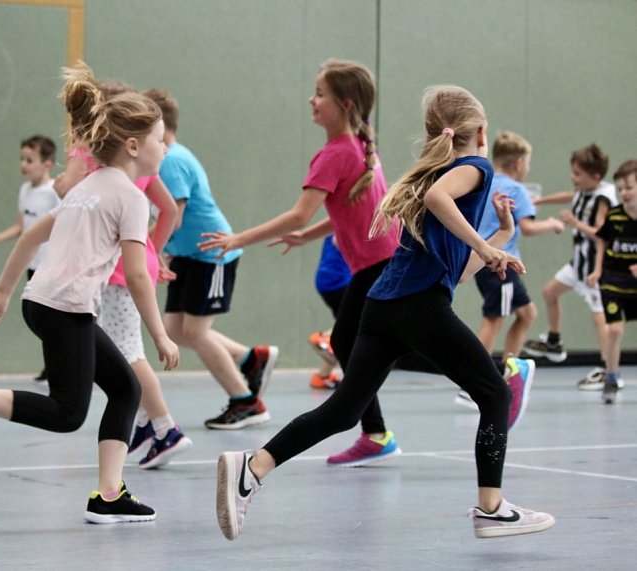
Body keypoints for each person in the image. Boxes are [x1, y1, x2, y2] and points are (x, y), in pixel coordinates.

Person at [215, 85, 555, 541]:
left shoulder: (434, 175)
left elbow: (456, 273)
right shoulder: (475, 168)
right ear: (480, 131)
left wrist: (500, 236)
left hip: (383, 307)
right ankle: (492, 508)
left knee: (344, 410)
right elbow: (439, 200)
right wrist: (483, 242)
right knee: (495, 394)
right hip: (418, 308)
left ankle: (252, 467)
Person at [0, 62, 180, 524]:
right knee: (67, 413)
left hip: (42, 300)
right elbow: (138, 276)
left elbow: (30, 236)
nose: (165, 146)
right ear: (134, 146)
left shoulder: (85, 188)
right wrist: (160, 334)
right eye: (160, 139)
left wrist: (3, 291)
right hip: (65, 307)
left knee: (126, 388)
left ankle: (109, 494)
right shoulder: (130, 198)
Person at [199, 60, 403, 467]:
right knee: (351, 342)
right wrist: (307, 237)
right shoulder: (358, 147)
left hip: (379, 266)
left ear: (345, 104)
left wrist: (240, 238)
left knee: (388, 344)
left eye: (320, 94)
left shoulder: (336, 154)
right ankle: (376, 433)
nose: (312, 100)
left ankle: (492, 371)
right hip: (381, 263)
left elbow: (298, 213)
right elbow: (353, 211)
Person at [53, 83, 192, 469]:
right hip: (132, 262)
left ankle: (166, 428)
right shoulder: (137, 167)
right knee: (121, 350)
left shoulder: (93, 158)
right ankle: (145, 423)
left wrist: (63, 175)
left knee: (129, 353)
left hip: (118, 270)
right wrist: (153, 250)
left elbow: (67, 192)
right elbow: (169, 210)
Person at [143, 87, 278, 430]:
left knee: (196, 332)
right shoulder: (165, 158)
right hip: (189, 254)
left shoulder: (172, 160)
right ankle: (251, 359)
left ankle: (245, 401)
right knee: (175, 330)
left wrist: (150, 250)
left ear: (158, 125)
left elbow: (173, 215)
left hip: (211, 252)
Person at [454, 131, 564, 411]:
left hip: (482, 260)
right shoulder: (516, 189)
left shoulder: (485, 181)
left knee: (527, 314)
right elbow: (528, 227)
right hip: (499, 263)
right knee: (494, 319)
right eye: (528, 163)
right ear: (518, 163)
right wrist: (552, 224)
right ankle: (473, 385)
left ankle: (508, 371)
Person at [524, 144, 619, 390]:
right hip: (578, 264)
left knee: (600, 316)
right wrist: (540, 200)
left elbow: (602, 234)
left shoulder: (602, 199)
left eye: (578, 174)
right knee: (550, 292)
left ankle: (606, 368)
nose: (572, 177)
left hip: (596, 267)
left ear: (595, 177)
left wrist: (576, 223)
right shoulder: (584, 191)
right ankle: (554, 340)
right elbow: (569, 196)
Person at [0, 135, 59, 381]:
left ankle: (59, 365)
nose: (23, 164)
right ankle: (52, 364)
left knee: (52, 316)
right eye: (22, 159)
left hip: (52, 266)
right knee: (39, 316)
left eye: (30, 160)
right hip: (31, 264)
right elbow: (21, 226)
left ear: (47, 164)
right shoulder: (25, 190)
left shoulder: (54, 191)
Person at [588, 159, 637, 404]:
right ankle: (611, 377)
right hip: (613, 280)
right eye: (620, 189)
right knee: (615, 329)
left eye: (629, 187)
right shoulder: (615, 215)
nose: (624, 193)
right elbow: (602, 241)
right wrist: (597, 270)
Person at [308, 236, 352, 389]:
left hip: (329, 280)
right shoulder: (354, 224)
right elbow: (339, 240)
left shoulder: (335, 223)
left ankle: (322, 376)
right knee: (355, 322)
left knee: (346, 322)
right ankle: (325, 338)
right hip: (340, 280)